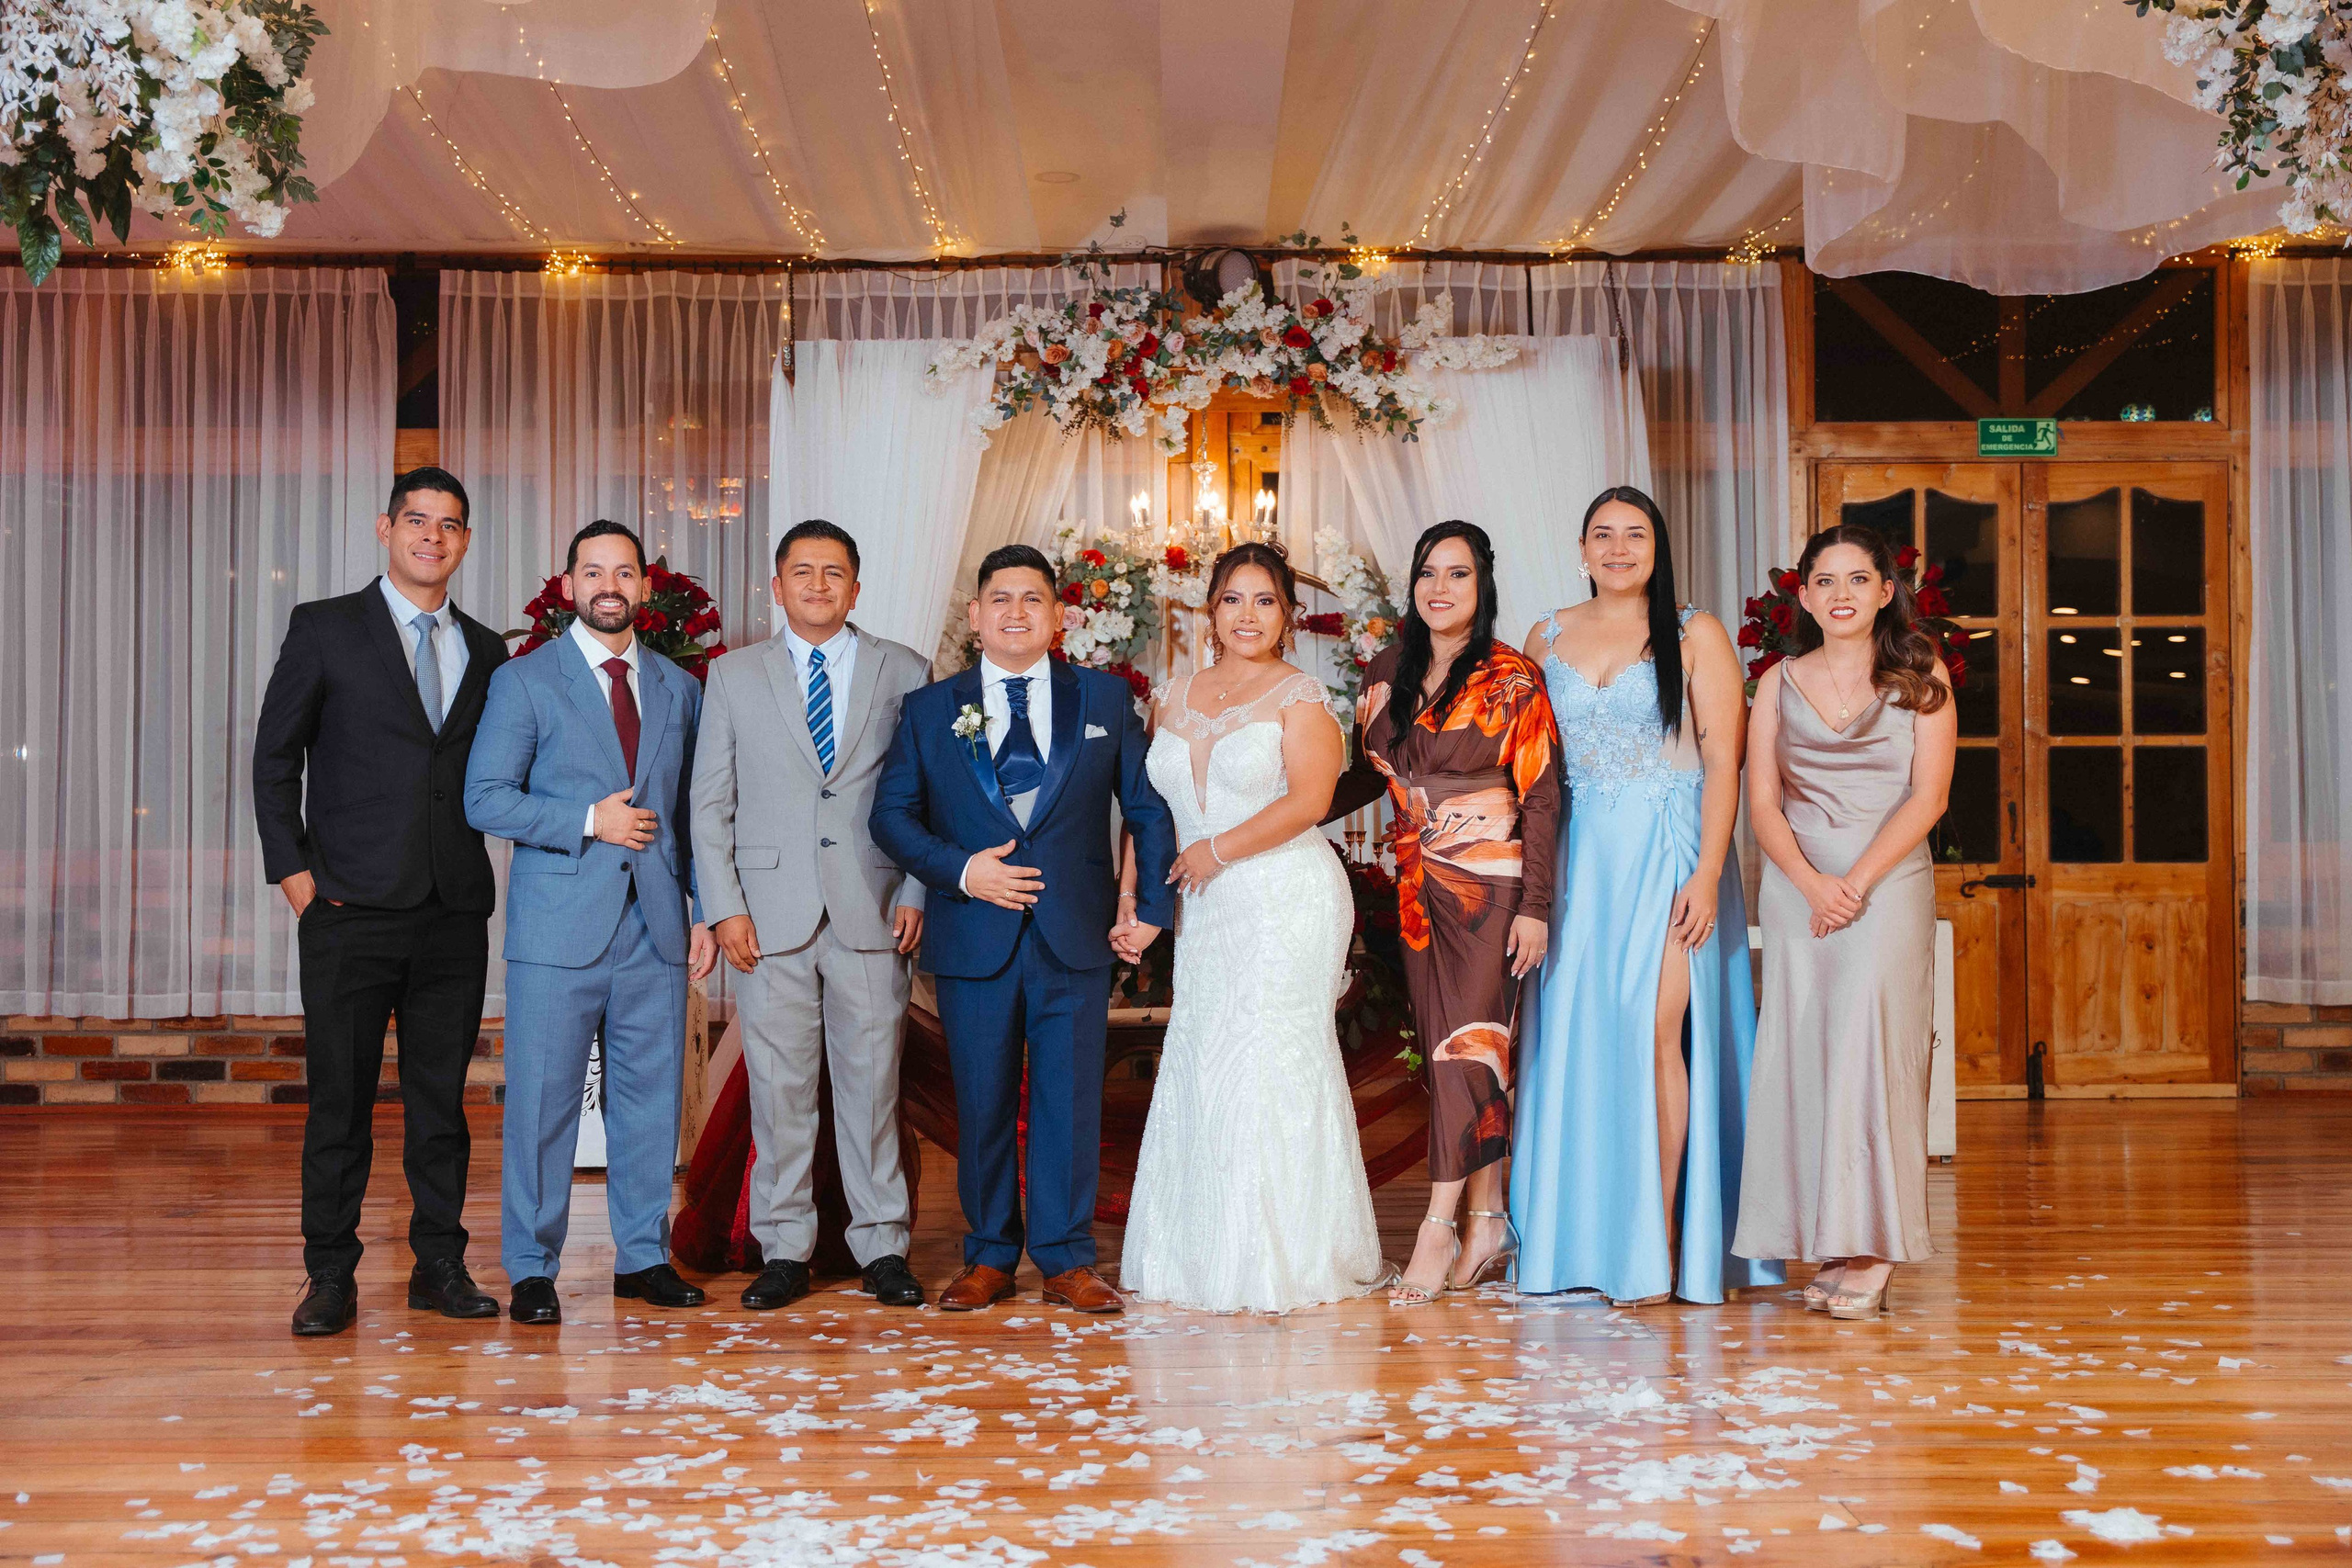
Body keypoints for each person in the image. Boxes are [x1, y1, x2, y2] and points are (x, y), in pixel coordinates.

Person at [869, 543, 1178, 1314]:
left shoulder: (1104, 701)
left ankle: (1068, 1258)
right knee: (982, 1102)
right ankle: (990, 1254)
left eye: (1032, 598)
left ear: (1059, 615)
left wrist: (1151, 912)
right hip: (974, 934)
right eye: (999, 598)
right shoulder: (930, 708)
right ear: (975, 616)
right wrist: (965, 870)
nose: (1015, 611)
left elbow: (1146, 807)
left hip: (1075, 935)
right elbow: (891, 817)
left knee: (1071, 1100)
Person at [1510, 487, 1782, 1306]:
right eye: (1604, 534)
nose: (1619, 548)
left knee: (1658, 1033)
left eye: (1636, 534)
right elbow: (1529, 770)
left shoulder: (1693, 631)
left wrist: (1706, 873)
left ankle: (1660, 1238)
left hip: (1669, 853)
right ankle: (1581, 1232)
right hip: (1577, 862)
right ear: (1582, 547)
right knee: (1579, 1043)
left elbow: (1723, 760)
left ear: (1657, 548)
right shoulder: (1544, 634)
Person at [254, 466, 509, 1337]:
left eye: (449, 524)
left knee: (442, 1102)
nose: (432, 536)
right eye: (417, 520)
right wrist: (296, 878)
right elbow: (273, 758)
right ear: (385, 527)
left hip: (451, 911)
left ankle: (438, 1262)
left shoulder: (485, 647)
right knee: (341, 1101)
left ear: (465, 541)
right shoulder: (325, 628)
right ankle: (329, 1272)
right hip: (347, 909)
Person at [1117, 543, 1386, 1314]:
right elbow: (1152, 815)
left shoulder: (1300, 696)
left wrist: (1218, 849)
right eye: (1232, 599)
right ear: (1210, 610)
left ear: (1288, 616)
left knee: (1271, 1060)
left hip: (1283, 894)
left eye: (1264, 601)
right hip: (1208, 905)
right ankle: (1200, 1250)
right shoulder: (1172, 695)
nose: (1247, 615)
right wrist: (1136, 897)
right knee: (1206, 1056)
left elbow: (1309, 800)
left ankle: (1286, 1254)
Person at [464, 519, 718, 1326]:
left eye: (625, 571)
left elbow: (696, 815)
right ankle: (532, 1267)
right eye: (593, 571)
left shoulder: (680, 689)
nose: (610, 584)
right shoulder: (526, 681)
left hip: (657, 929)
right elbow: (486, 797)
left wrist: (707, 914)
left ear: (644, 585)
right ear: (570, 585)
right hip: (560, 929)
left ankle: (643, 1257)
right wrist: (587, 819)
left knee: (649, 1100)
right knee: (543, 1103)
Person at [689, 519, 932, 1313]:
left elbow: (930, 795)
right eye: (803, 572)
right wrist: (723, 907)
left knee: (872, 1091)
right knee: (780, 1091)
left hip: (874, 907)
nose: (819, 585)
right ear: (777, 586)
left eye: (834, 573)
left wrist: (919, 890)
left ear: (856, 587)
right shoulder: (733, 674)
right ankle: (784, 1246)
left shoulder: (906, 669)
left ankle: (882, 1246)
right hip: (767, 916)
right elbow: (709, 802)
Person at [1734, 523, 1957, 1321]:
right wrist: (1808, 881)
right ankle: (1830, 1234)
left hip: (1887, 883)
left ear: (1886, 591)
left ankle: (1875, 1245)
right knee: (1807, 1053)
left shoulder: (1921, 674)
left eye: (1857, 580)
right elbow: (1760, 801)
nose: (1841, 595)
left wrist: (1854, 884)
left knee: (1876, 1054)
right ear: (1803, 596)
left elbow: (1927, 798)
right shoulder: (1776, 682)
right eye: (1824, 581)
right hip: (1798, 890)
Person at [1335, 521, 1561, 1306]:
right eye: (1429, 572)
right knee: (1461, 1054)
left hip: (1491, 887)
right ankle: (1489, 1217)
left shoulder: (1513, 675)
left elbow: (1541, 795)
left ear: (1483, 585)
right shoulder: (1386, 668)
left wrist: (1535, 907)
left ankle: (1437, 1225)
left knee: (1466, 1050)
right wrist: (1285, 816)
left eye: (1457, 575)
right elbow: (1370, 777)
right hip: (1416, 886)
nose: (1440, 588)